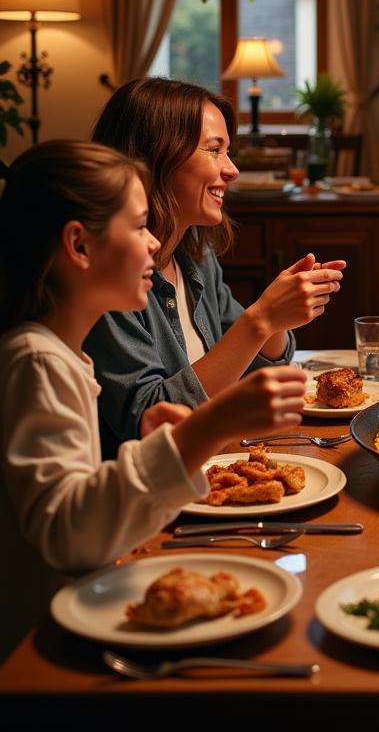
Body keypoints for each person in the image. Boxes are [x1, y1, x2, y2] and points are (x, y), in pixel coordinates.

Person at [0, 141, 307, 658]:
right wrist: (202, 431)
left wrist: (149, 449)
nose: (153, 243)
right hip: (41, 657)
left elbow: (79, 489)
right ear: (79, 245)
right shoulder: (36, 360)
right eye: (140, 226)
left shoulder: (63, 353)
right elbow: (67, 537)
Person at [86, 78, 344, 450]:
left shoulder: (196, 257)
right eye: (214, 150)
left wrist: (277, 320)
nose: (232, 169)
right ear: (157, 156)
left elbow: (250, 378)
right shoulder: (108, 277)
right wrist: (260, 320)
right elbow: (147, 423)